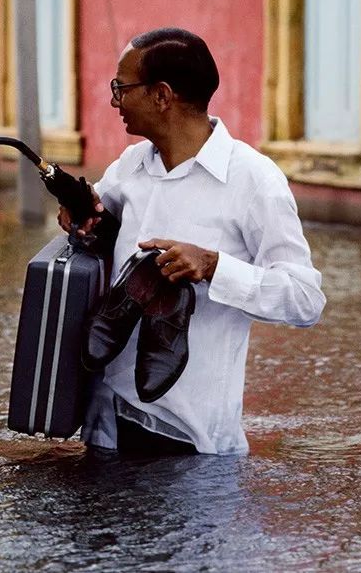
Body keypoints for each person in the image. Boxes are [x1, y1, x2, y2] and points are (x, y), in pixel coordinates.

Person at [59, 27, 325, 455]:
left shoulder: (254, 180)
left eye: (121, 88)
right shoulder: (130, 166)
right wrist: (80, 219)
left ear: (161, 96)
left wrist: (215, 266)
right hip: (105, 427)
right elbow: (95, 224)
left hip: (190, 441)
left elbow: (306, 301)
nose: (114, 101)